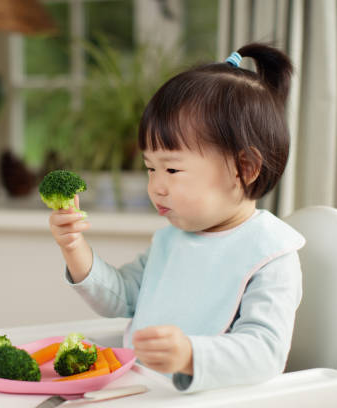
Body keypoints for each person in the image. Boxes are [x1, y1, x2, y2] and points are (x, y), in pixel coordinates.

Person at [46, 43, 305, 393]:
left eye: (171, 168)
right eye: (150, 168)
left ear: (244, 168)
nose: (157, 186)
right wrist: (74, 246)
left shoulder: (271, 253)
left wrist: (190, 355)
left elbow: (265, 352)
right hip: (145, 390)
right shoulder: (171, 240)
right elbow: (120, 297)